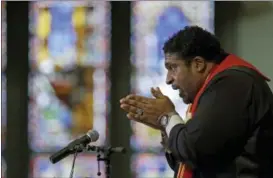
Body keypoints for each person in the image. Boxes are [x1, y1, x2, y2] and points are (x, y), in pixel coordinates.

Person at [120, 26, 273, 178]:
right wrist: (166, 127)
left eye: (173, 67)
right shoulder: (215, 88)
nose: (168, 79)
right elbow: (188, 162)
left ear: (198, 64)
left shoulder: (234, 83)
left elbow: (195, 151)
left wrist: (167, 118)